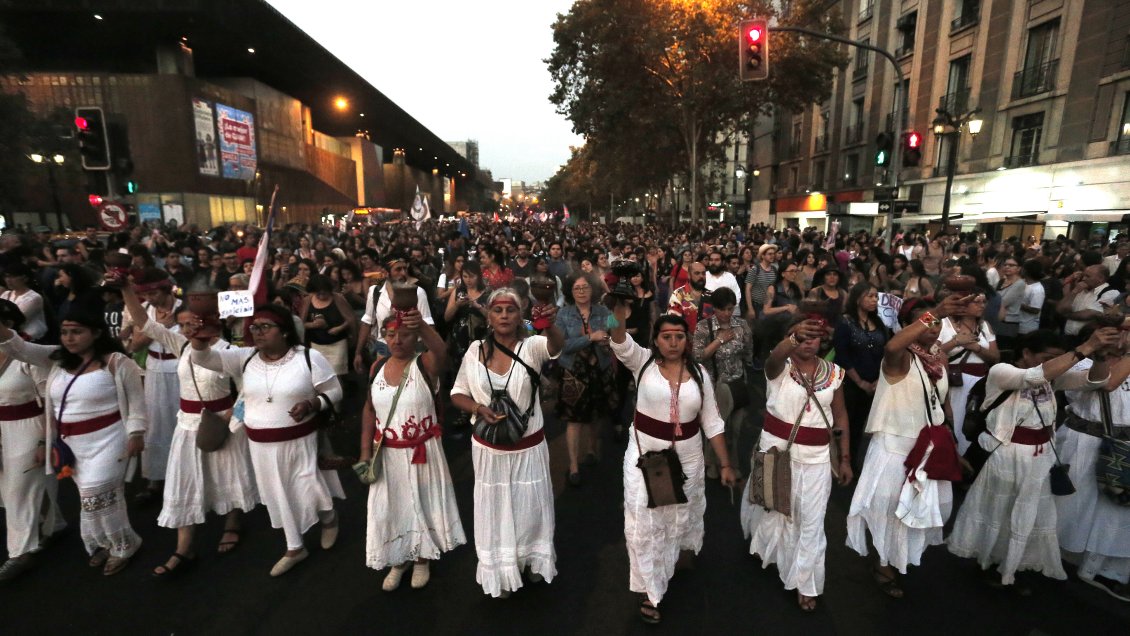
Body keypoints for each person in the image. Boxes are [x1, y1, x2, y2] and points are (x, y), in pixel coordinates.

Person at [948, 327, 1117, 593]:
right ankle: (988, 562)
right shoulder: (1002, 371)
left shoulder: (1053, 378)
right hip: (1006, 456)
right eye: (1048, 356)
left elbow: (1094, 382)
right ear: (1026, 353)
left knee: (1027, 515)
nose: (1054, 362)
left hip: (1039, 458)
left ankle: (1011, 565)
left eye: (1057, 357)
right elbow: (1034, 376)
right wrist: (1084, 347)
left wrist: (1099, 357)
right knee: (999, 512)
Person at [189, 304, 345, 577]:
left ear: (284, 331)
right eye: (254, 327)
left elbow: (334, 391)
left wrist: (312, 404)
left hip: (298, 440)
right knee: (277, 492)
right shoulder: (245, 358)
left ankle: (329, 519)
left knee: (307, 485)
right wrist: (200, 339)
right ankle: (295, 547)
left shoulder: (308, 357)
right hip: (259, 445)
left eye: (265, 326)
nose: (257, 332)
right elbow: (203, 360)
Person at [608, 304, 738, 624]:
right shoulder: (643, 363)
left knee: (678, 516)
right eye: (666, 336)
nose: (673, 342)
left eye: (679, 336)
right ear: (656, 341)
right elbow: (617, 338)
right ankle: (649, 590)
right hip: (644, 458)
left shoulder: (699, 375)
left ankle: (673, 556)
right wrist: (615, 314)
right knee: (641, 522)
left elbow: (713, 423)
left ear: (687, 340)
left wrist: (724, 464)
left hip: (688, 459)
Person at [120, 284, 259, 578]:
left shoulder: (231, 352)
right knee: (185, 482)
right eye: (182, 324)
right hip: (187, 425)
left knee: (229, 474)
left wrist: (231, 419)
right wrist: (126, 289)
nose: (186, 329)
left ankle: (232, 523)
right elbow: (144, 324)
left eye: (191, 324)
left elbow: (247, 392)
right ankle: (184, 549)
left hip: (223, 424)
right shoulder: (180, 345)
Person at [0, 305, 146, 576]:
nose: (69, 338)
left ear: (96, 333)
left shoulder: (116, 361)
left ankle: (125, 545)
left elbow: (137, 403)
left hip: (110, 439)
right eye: (65, 332)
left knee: (97, 492)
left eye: (77, 332)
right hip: (72, 445)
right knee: (92, 498)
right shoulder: (55, 358)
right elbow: (18, 348)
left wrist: (136, 433)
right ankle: (105, 542)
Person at [846, 294, 966, 598]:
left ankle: (899, 556)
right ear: (910, 324)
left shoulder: (939, 356)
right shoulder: (900, 357)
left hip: (927, 448)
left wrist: (950, 435)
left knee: (919, 506)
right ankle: (883, 563)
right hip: (895, 445)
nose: (933, 327)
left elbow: (943, 401)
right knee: (888, 507)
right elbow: (891, 346)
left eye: (938, 323)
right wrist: (936, 311)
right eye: (927, 321)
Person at [450, 288, 564, 598]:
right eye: (497, 310)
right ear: (488, 315)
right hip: (490, 453)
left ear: (518, 315)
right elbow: (457, 393)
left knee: (529, 509)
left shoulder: (532, 347)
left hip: (528, 449)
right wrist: (477, 408)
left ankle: (530, 560)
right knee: (497, 510)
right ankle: (502, 569)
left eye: (510, 310)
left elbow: (556, 346)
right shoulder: (474, 351)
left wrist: (549, 324)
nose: (503, 315)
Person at [741, 314, 852, 611]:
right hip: (777, 452)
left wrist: (844, 458)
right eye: (801, 337)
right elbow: (776, 355)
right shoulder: (779, 367)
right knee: (774, 508)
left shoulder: (835, 373)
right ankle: (765, 547)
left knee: (811, 521)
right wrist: (792, 338)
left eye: (813, 338)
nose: (807, 343)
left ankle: (806, 582)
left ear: (822, 341)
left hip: (816, 458)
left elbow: (840, 417)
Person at [360, 310, 465, 591]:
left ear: (415, 337)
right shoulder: (376, 367)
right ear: (383, 336)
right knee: (393, 506)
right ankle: (398, 558)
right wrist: (364, 453)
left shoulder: (425, 364)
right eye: (391, 334)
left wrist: (419, 323)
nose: (397, 340)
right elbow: (369, 410)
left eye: (404, 334)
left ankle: (421, 558)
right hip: (389, 453)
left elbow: (442, 350)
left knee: (422, 502)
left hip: (422, 451)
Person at [1056, 343, 1130, 602]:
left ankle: (1103, 570)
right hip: (1084, 442)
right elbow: (1105, 383)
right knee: (1072, 506)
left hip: (1124, 449)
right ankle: (1056, 555)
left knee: (1117, 512)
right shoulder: (1083, 363)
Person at [0, 301, 66, 581]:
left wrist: (44, 442)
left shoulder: (30, 357)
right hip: (2, 428)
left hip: (29, 426)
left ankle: (20, 553)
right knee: (8, 488)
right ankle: (55, 522)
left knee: (19, 490)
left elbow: (48, 402)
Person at [124, 267, 182, 506]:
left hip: (179, 368)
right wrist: (158, 328)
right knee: (156, 423)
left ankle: (185, 477)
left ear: (166, 289)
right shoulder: (145, 311)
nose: (149, 299)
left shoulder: (184, 308)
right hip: (155, 369)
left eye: (153, 293)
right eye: (146, 295)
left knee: (182, 423)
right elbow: (134, 345)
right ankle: (154, 480)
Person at [555, 274, 616, 485]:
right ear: (570, 291)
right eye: (577, 288)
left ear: (593, 290)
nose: (581, 291)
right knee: (574, 419)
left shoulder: (604, 311)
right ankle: (573, 466)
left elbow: (616, 332)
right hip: (574, 371)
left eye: (585, 287)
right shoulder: (563, 314)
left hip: (599, 368)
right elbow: (562, 345)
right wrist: (590, 338)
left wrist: (608, 342)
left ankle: (591, 449)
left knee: (596, 414)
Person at [692, 287, 752, 478]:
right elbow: (698, 356)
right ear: (714, 309)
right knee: (717, 427)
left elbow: (748, 352)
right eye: (722, 309)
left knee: (736, 429)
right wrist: (718, 341)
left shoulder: (742, 326)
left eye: (730, 309)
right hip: (715, 385)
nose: (727, 313)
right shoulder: (704, 327)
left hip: (737, 382)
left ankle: (732, 463)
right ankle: (710, 461)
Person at [937, 289, 999, 455]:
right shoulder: (943, 324)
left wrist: (975, 347)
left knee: (972, 424)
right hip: (955, 383)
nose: (982, 306)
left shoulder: (985, 326)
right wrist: (956, 341)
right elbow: (930, 353)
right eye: (976, 302)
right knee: (955, 422)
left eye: (983, 302)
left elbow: (995, 357)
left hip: (980, 383)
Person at [833, 283, 888, 463]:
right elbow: (842, 355)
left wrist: (878, 379)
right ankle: (842, 460)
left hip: (874, 382)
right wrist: (860, 382)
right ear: (857, 299)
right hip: (850, 383)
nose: (874, 300)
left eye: (875, 297)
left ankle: (854, 461)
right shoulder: (845, 322)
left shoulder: (879, 322)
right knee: (845, 422)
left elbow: (886, 351)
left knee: (861, 425)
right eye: (869, 296)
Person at [354, 255, 434, 372]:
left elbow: (429, 325)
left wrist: (431, 356)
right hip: (384, 348)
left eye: (404, 269)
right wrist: (358, 352)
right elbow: (367, 322)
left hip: (412, 349)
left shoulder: (417, 292)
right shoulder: (375, 292)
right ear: (386, 273)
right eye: (398, 269)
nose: (403, 273)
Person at [299, 274, 357, 380]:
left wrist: (339, 328)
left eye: (324, 292)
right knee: (319, 375)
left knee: (337, 376)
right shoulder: (307, 301)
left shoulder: (338, 298)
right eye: (318, 293)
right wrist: (314, 325)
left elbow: (351, 319)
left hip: (337, 343)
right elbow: (301, 323)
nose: (321, 295)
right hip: (316, 344)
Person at [1, 263, 47, 342]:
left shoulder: (34, 297)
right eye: (6, 276)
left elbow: (18, 319)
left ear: (25, 278)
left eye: (12, 276)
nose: (8, 280)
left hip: (31, 339)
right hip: (10, 336)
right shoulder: (6, 294)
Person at [667, 261, 710, 334]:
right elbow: (673, 323)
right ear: (689, 275)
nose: (701, 276)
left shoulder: (711, 295)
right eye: (697, 273)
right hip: (685, 342)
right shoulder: (678, 294)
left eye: (703, 273)